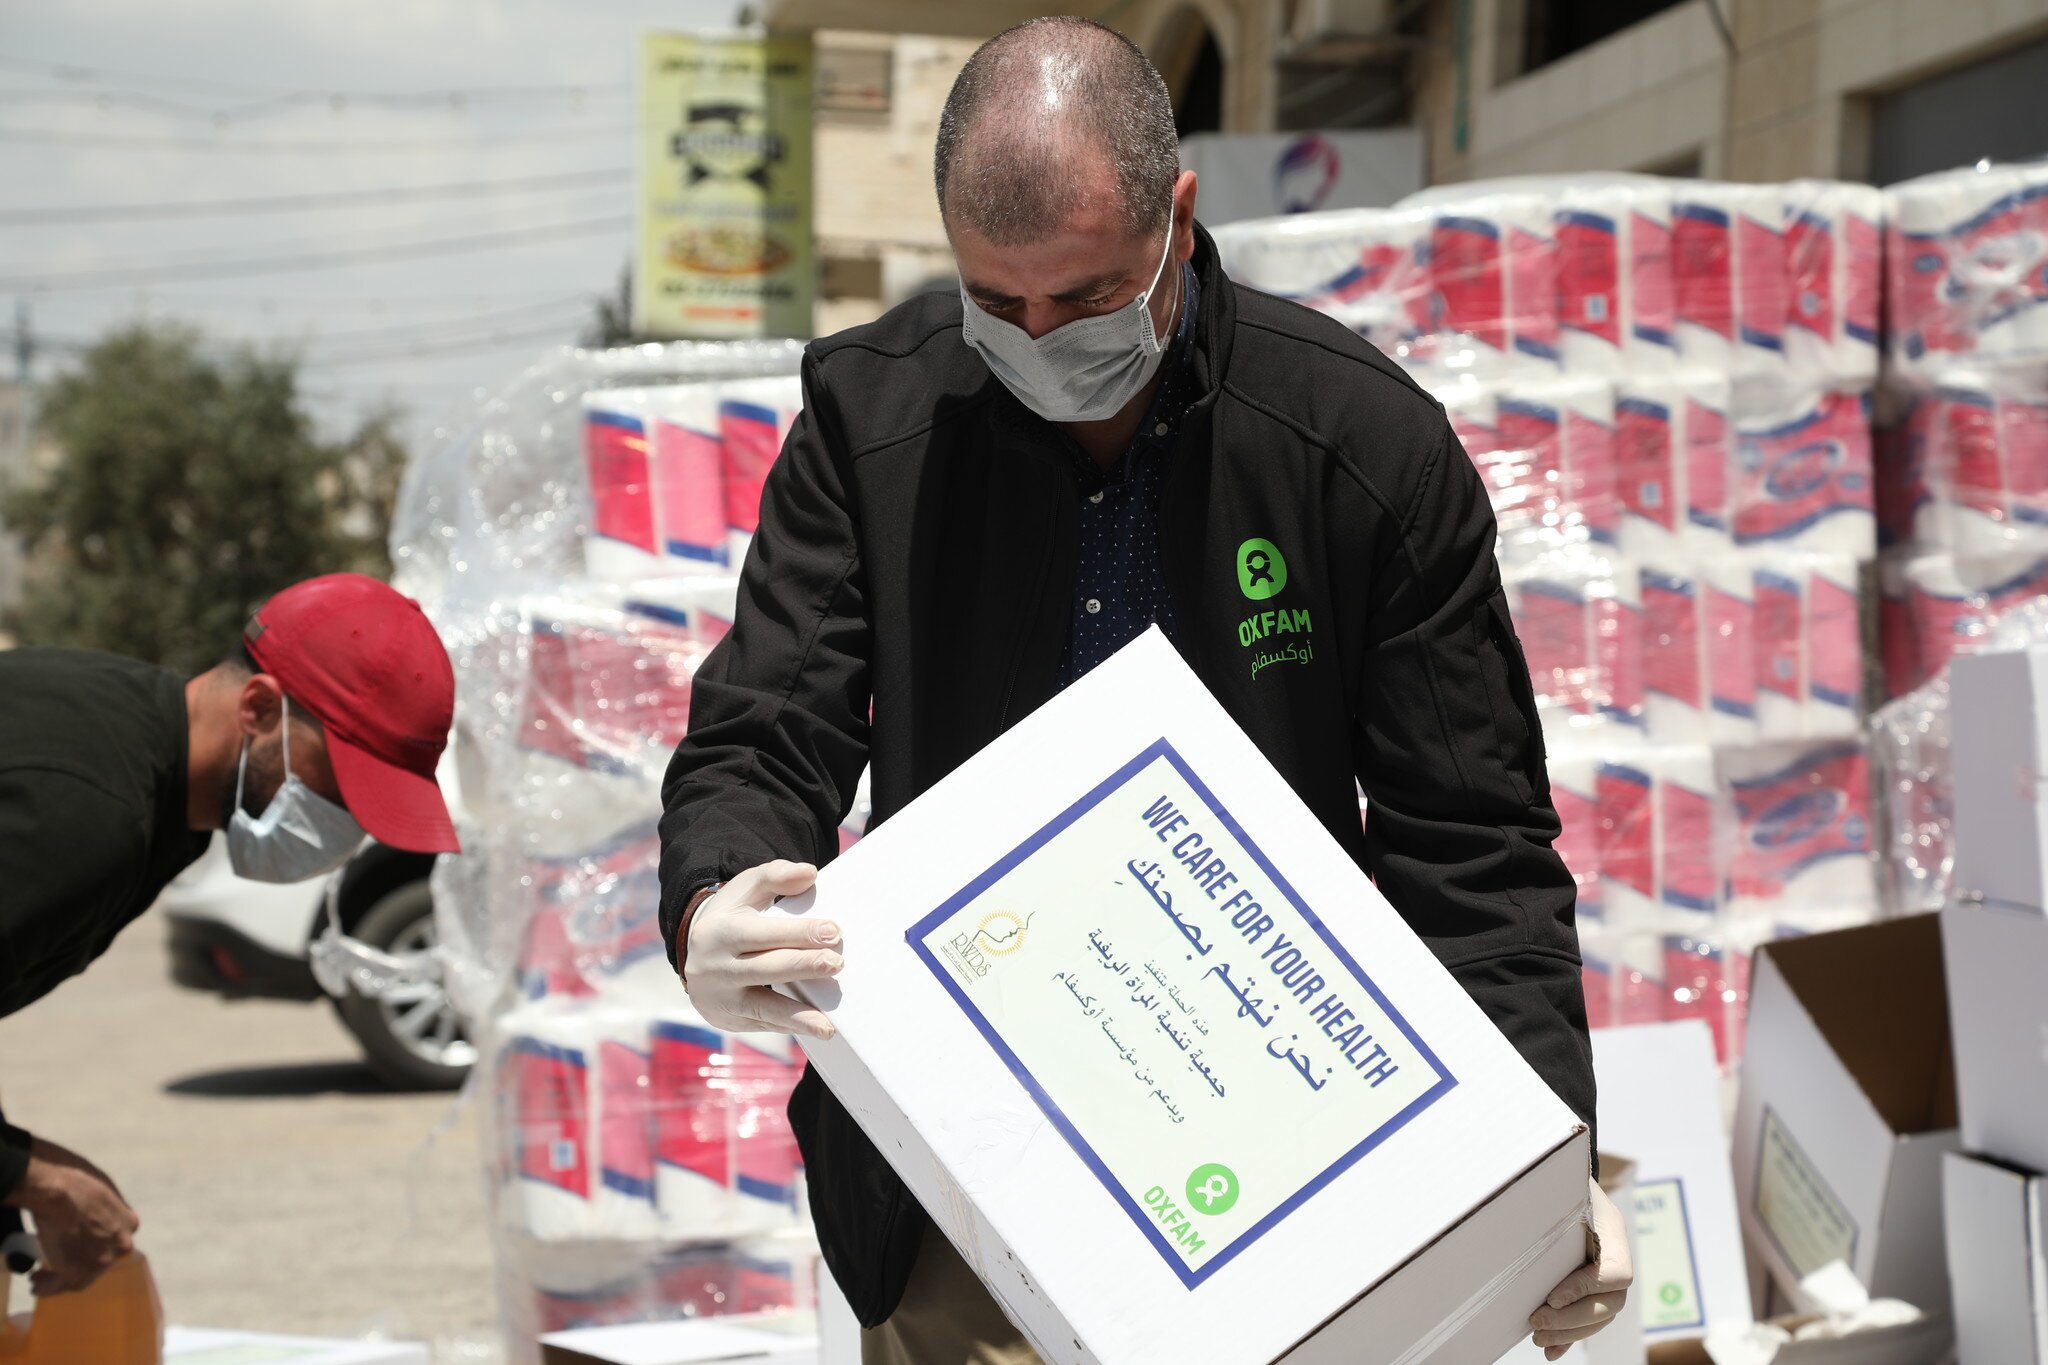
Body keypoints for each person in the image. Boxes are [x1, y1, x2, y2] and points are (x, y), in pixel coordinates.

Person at [659, 17, 1629, 1363]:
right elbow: (773, 721)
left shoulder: (1354, 447)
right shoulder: (878, 423)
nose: (1043, 338)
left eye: (1089, 296)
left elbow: (1469, 842)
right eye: (997, 304)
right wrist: (716, 890)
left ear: (1180, 214)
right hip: (973, 1183)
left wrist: (1542, 1159)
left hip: (1293, 1180)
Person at [0, 572, 460, 1297]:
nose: (346, 825)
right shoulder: (91, 809)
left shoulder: (158, 785)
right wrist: (35, 1175)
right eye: (339, 787)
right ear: (259, 707)